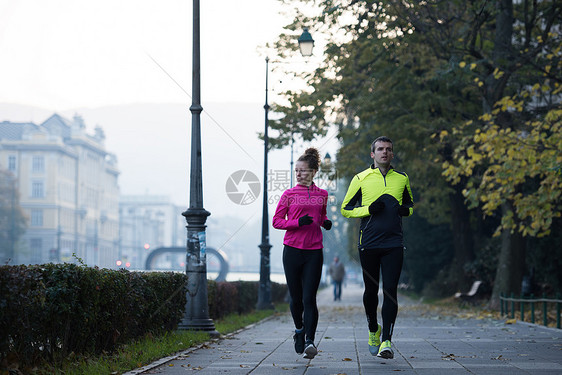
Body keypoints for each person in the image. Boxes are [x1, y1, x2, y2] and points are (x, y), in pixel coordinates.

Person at [340, 136, 413, 359]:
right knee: (371, 292)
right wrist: (368, 209)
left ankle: (387, 341)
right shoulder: (360, 178)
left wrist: (404, 211)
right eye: (380, 149)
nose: (384, 152)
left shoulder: (402, 178)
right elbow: (345, 209)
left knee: (390, 291)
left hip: (393, 243)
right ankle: (373, 329)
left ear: (392, 154)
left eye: (388, 149)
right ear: (372, 154)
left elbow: (409, 205)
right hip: (369, 243)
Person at [272, 147, 332, 360]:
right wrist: (297, 223)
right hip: (292, 251)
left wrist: (325, 222)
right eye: (296, 171)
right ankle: (299, 330)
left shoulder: (322, 195)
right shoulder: (288, 194)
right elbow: (277, 221)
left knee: (309, 298)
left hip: (314, 251)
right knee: (296, 298)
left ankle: (310, 341)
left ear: (314, 171)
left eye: (303, 171)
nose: (298, 174)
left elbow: (321, 216)